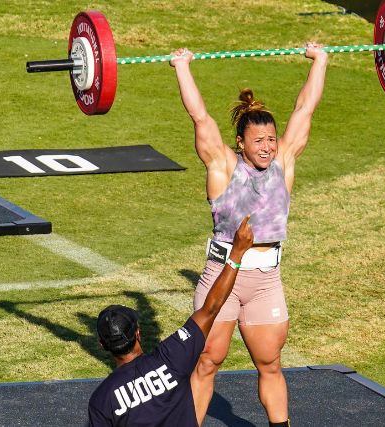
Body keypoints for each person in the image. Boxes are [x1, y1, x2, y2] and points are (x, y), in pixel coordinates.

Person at [170, 42, 328, 427]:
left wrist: (320, 60)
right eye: (259, 141)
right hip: (223, 276)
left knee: (270, 363)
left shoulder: (283, 162)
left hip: (266, 282)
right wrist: (181, 66)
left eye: (271, 140)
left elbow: (305, 109)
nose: (268, 147)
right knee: (207, 361)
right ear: (241, 143)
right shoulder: (222, 165)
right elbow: (200, 117)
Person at [88, 216, 254, 427]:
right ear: (138, 333)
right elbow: (211, 308)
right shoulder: (171, 357)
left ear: (103, 345)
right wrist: (237, 253)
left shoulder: (102, 400)